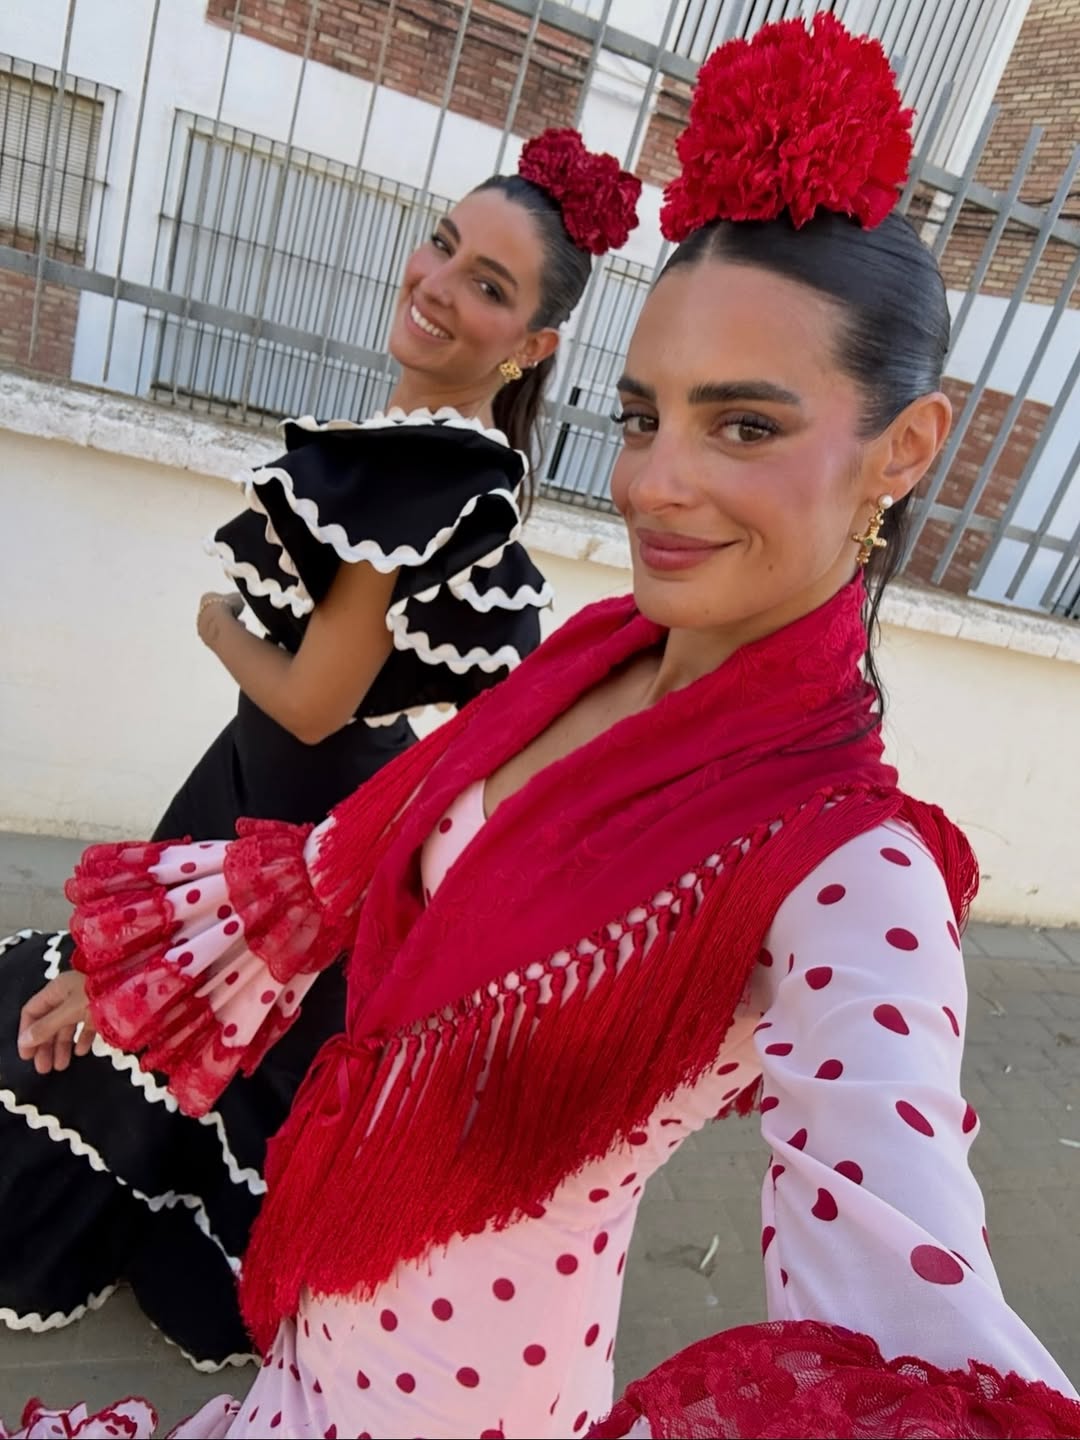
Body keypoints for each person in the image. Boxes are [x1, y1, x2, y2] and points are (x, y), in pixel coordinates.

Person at [4, 17, 1079, 1440]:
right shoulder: (597, 651)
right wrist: (133, 972)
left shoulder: (850, 867)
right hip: (326, 1305)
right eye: (643, 417)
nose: (655, 484)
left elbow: (896, 1226)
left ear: (908, 447)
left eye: (745, 427)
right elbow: (349, 854)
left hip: (465, 1397)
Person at [0, 127, 642, 1371]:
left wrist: (216, 625)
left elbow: (309, 701)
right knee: (163, 1020)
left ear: (534, 344)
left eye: (488, 285)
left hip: (295, 805)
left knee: (156, 1024)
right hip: (275, 790)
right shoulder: (453, 459)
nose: (437, 283)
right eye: (443, 243)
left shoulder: (412, 472)